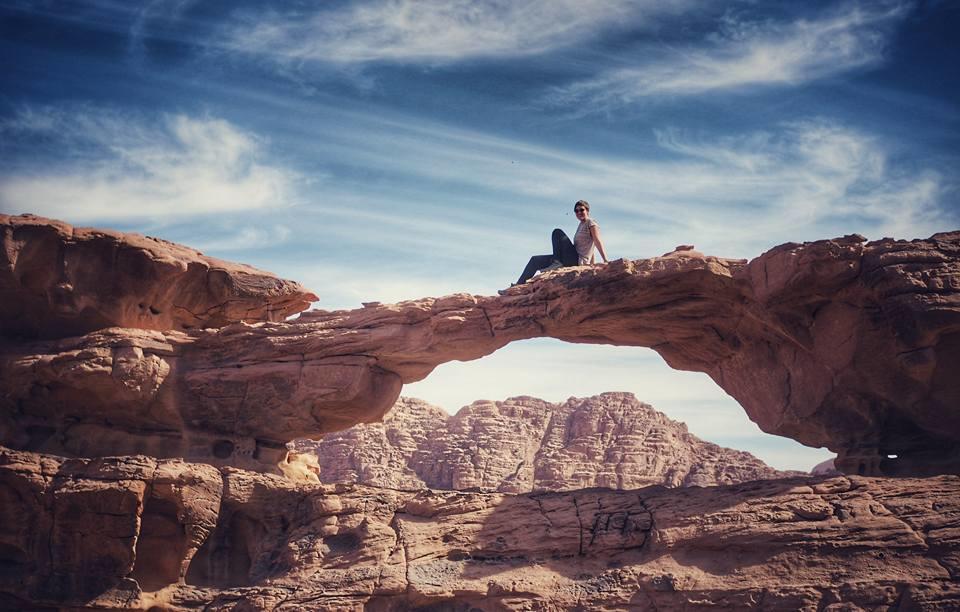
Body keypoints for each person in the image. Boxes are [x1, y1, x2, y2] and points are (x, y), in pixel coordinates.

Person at [500, 200, 608, 294]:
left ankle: (557, 263)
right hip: (569, 258)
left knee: (557, 232)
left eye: (581, 210)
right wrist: (592, 265)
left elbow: (597, 241)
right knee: (535, 260)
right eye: (576, 211)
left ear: (587, 210)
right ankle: (518, 286)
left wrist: (605, 260)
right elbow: (590, 247)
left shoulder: (591, 223)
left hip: (576, 261)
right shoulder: (580, 225)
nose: (579, 212)